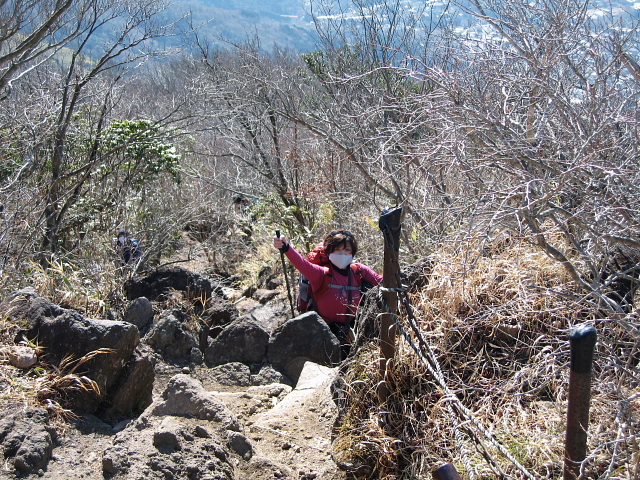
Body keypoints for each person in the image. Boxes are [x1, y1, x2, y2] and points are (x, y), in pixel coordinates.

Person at [274, 230, 382, 357]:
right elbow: (302, 264)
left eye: (347, 250)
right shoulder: (321, 274)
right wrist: (286, 246)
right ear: (329, 252)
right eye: (338, 250)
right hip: (323, 334)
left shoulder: (359, 271)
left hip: (352, 331)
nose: (343, 254)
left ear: (353, 252)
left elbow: (383, 281)